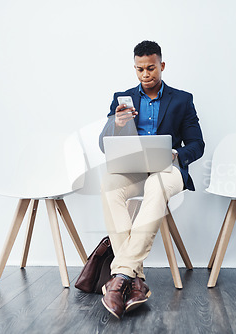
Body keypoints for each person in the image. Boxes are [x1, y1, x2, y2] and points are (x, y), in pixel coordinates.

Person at [98, 40, 204, 319]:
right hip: (133, 169)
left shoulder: (182, 99)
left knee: (156, 185)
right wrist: (115, 125)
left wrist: (174, 154)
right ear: (135, 68)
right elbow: (103, 144)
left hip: (166, 170)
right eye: (140, 69)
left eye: (151, 68)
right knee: (109, 184)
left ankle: (120, 275)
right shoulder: (122, 98)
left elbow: (197, 144)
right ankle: (134, 279)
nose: (146, 74)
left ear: (162, 65)